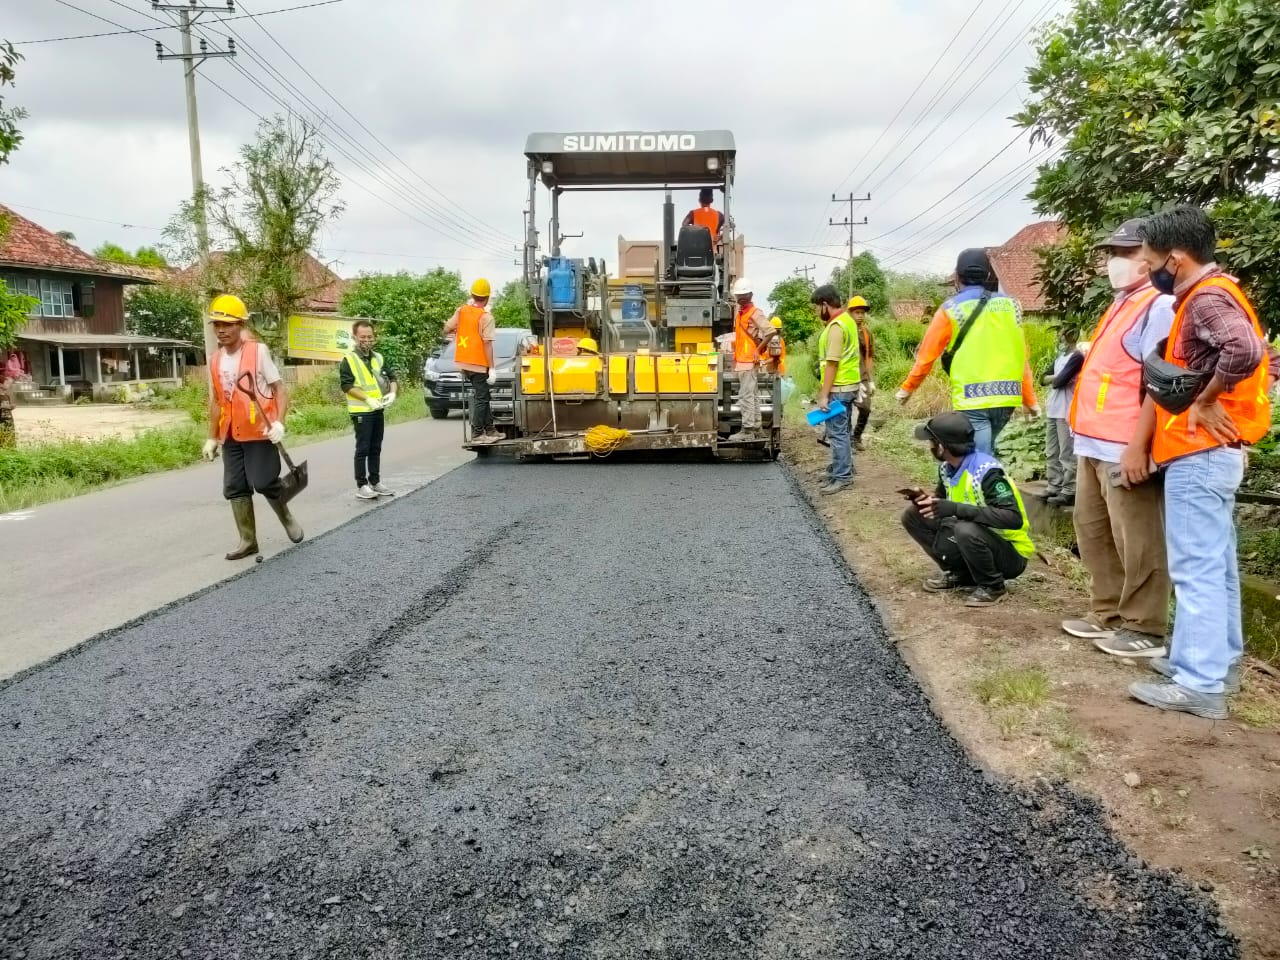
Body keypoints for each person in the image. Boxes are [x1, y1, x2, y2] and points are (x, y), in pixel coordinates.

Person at [1127, 206, 1275, 720]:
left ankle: (1200, 682)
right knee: (1217, 564)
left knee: (1196, 568)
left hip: (1199, 451)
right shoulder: (1221, 292)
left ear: (1175, 257)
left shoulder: (1207, 296)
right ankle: (1215, 660)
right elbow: (1266, 357)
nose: (1146, 271)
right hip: (1212, 452)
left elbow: (1246, 350)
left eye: (1148, 261)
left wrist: (1208, 400)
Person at [1061, 218, 1175, 655]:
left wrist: (1139, 446)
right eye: (1112, 253)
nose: (1116, 262)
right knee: (1093, 530)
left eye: (1126, 253)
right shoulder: (1122, 303)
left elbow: (1159, 383)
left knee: (1138, 539)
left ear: (1150, 259)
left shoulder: (1158, 306)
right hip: (1093, 440)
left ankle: (1144, 626)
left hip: (1124, 444)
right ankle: (1106, 610)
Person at [896, 249, 1039, 453]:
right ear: (988, 275)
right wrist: (1030, 399)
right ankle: (979, 481)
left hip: (973, 399)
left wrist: (907, 389)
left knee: (977, 459)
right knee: (985, 455)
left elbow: (926, 357)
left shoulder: (951, 309)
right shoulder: (1011, 306)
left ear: (957, 276)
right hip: (1007, 398)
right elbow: (1020, 356)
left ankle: (974, 482)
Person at [200, 294, 303, 559]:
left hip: (259, 429)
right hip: (230, 432)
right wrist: (212, 437)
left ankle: (286, 516)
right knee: (234, 486)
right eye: (217, 325)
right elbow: (216, 401)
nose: (221, 330)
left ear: (240, 325)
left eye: (228, 324)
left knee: (264, 481)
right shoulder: (214, 359)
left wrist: (280, 421)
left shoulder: (258, 351)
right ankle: (248, 541)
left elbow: (280, 389)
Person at [901, 412, 1036, 606]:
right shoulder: (947, 468)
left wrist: (956, 508)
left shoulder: (987, 472)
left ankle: (993, 586)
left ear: (942, 446)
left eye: (932, 441)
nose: (930, 446)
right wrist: (925, 501)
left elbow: (1013, 518)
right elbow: (944, 501)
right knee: (913, 516)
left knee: (965, 529)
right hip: (974, 537)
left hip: (1010, 553)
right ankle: (959, 574)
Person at [810, 284, 861, 494]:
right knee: (843, 431)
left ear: (824, 304)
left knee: (837, 433)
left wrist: (824, 395)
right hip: (849, 385)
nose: (816, 312)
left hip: (839, 387)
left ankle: (842, 476)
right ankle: (840, 470)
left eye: (816, 308)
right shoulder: (847, 321)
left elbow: (832, 363)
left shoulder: (836, 327)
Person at [340, 319, 397, 500]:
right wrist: (367, 399)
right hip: (361, 411)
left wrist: (392, 394)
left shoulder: (378, 357)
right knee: (363, 448)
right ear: (355, 338)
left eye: (369, 336)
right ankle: (362, 485)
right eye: (362, 337)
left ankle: (376, 481)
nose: (366, 340)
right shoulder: (349, 359)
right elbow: (347, 386)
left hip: (378, 409)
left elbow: (393, 377)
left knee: (376, 447)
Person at [443, 278, 501, 445]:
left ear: (472, 295)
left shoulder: (461, 311)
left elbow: (447, 328)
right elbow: (487, 344)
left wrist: (454, 331)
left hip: (462, 362)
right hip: (477, 364)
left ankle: (490, 430)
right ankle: (477, 433)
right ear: (488, 297)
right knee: (482, 397)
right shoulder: (486, 317)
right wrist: (492, 368)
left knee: (484, 395)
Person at [726, 278, 777, 442]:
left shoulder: (755, 312)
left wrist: (757, 349)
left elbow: (770, 331)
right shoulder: (741, 313)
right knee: (752, 396)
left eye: (744, 295)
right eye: (739, 296)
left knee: (746, 396)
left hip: (748, 361)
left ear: (750, 295)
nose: (741, 299)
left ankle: (747, 430)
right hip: (743, 360)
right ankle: (757, 428)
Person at [1043, 328, 1083, 506]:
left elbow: (1059, 382)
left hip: (1066, 411)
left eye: (1062, 336)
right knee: (1052, 451)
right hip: (1053, 409)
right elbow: (1042, 379)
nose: (1060, 340)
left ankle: (1069, 489)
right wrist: (1055, 378)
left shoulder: (1077, 357)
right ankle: (1054, 485)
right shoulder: (1060, 358)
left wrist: (1053, 379)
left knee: (1066, 452)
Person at [848, 295, 876, 451]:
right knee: (845, 410)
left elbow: (869, 356)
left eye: (862, 313)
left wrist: (870, 379)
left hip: (862, 377)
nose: (860, 316)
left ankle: (856, 436)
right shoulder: (844, 330)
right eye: (857, 312)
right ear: (850, 313)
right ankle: (845, 441)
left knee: (866, 408)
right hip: (846, 377)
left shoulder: (867, 333)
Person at [682, 187, 725, 253]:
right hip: (712, 252)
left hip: (696, 249)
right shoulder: (719, 215)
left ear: (699, 200)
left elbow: (684, 225)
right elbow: (727, 227)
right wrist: (719, 238)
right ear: (712, 200)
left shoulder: (693, 213)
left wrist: (693, 233)